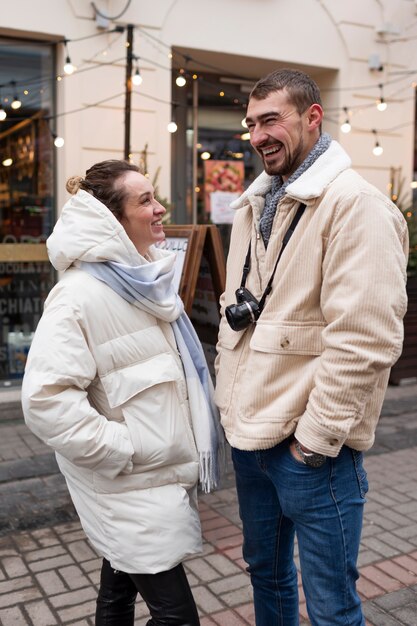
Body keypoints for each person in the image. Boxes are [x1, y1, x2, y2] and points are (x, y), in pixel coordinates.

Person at [214, 69, 409, 626]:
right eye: (251, 123)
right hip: (251, 438)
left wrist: (316, 442)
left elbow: (366, 339)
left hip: (311, 452)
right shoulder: (257, 202)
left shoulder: (357, 205)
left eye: (270, 119)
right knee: (267, 575)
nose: (257, 135)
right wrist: (231, 411)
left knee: (330, 604)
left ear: (312, 117)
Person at [22, 159, 223, 626]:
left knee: (118, 587)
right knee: (177, 618)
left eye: (156, 198)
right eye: (145, 201)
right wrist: (125, 449)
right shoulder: (79, 296)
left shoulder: (145, 282)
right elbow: (46, 401)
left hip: (149, 481)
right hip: (129, 480)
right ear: (112, 219)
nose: (160, 209)